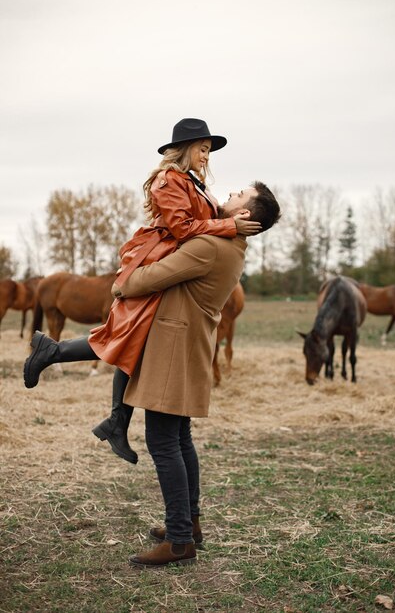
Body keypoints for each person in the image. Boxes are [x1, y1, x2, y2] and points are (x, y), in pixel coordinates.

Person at [23, 118, 260, 466]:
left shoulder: (194, 183)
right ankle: (55, 354)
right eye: (203, 149)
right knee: (128, 335)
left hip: (170, 260)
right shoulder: (168, 180)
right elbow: (181, 228)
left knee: (136, 338)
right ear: (185, 149)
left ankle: (114, 418)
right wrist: (228, 224)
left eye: (209, 151)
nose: (207, 157)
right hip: (154, 259)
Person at [109, 182, 281, 568]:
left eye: (239, 194)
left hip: (174, 351)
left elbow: (149, 278)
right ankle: (190, 524)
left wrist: (122, 285)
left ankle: (180, 540)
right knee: (179, 439)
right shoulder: (232, 245)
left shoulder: (209, 246)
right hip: (189, 348)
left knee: (163, 441)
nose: (231, 192)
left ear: (243, 216)